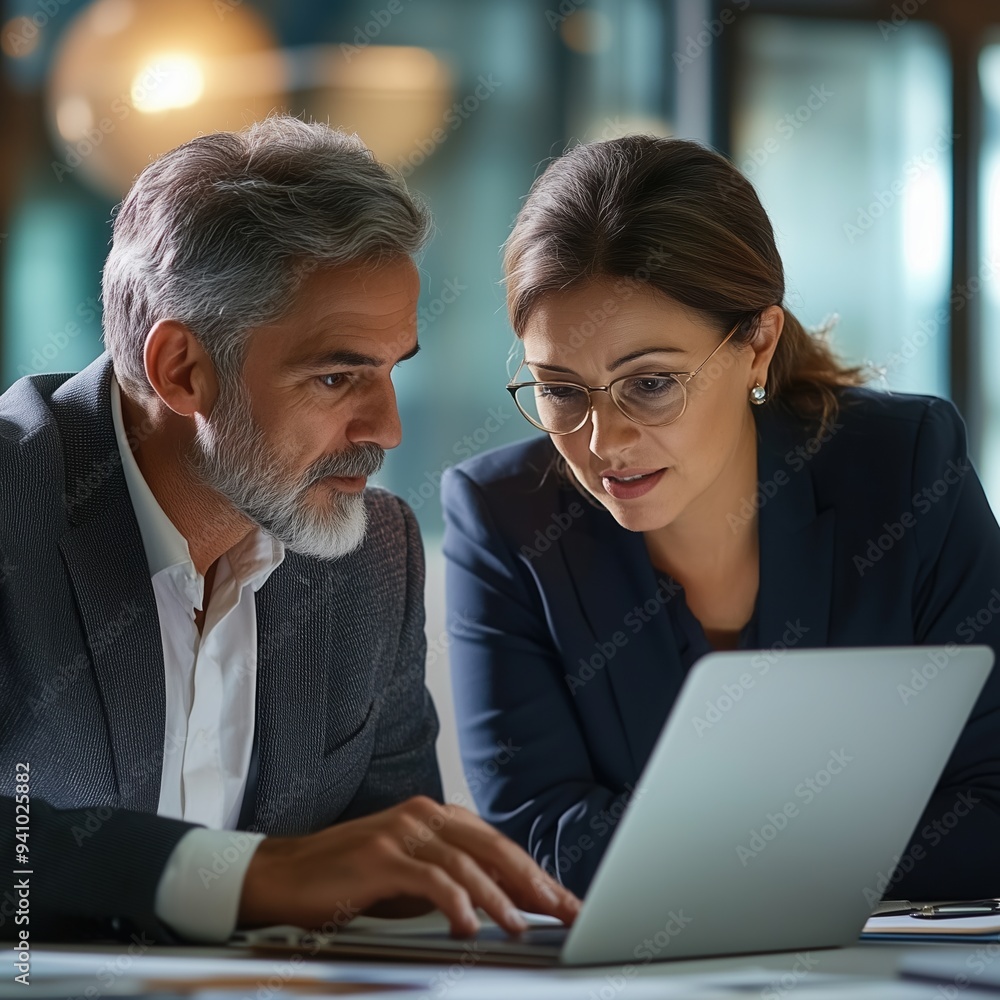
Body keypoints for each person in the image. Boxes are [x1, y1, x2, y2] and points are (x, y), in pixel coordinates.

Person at [0, 116, 579, 944]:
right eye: (337, 375)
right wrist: (244, 875)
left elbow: (391, 883)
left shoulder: (370, 553)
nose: (386, 429)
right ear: (182, 370)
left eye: (389, 371)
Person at [442, 135, 1000, 901]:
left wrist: (702, 853)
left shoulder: (903, 467)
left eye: (651, 383)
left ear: (757, 346)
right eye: (561, 390)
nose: (604, 442)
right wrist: (842, 837)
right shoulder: (504, 518)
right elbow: (539, 839)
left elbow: (992, 807)